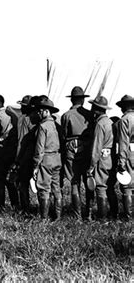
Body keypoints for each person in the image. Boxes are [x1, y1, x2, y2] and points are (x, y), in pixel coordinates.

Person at [61, 86, 93, 219]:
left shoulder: (66, 115)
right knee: (89, 181)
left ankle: (77, 215)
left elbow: (63, 135)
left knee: (75, 182)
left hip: (71, 148)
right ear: (83, 100)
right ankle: (89, 214)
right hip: (87, 149)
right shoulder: (90, 115)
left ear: (71, 100)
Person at [32, 96, 62, 220]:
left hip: (46, 160)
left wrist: (35, 166)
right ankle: (58, 217)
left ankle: (44, 218)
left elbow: (39, 149)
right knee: (56, 188)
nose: (38, 113)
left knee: (44, 189)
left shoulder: (43, 126)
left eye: (40, 111)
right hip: (57, 158)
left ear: (46, 111)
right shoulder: (56, 125)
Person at [86, 96, 113, 220]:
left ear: (96, 110)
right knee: (107, 186)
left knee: (100, 187)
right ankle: (112, 214)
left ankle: (103, 218)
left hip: (100, 159)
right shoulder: (110, 122)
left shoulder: (100, 125)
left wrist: (91, 166)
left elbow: (96, 148)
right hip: (109, 157)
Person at [9, 95, 34, 213]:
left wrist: (17, 160)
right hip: (37, 154)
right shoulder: (37, 118)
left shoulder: (23, 119)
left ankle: (25, 209)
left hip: (25, 155)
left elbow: (21, 141)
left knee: (22, 183)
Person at [114, 94, 134, 220]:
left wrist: (121, 162)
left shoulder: (124, 120)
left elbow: (123, 143)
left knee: (127, 186)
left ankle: (128, 216)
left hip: (129, 154)